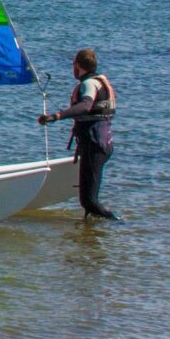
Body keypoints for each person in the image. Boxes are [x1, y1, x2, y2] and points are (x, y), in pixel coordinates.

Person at [39, 49, 118, 219]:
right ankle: (89, 237)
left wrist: (57, 116)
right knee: (87, 201)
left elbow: (85, 106)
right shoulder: (100, 81)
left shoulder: (89, 84)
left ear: (78, 66)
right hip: (102, 144)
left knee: (89, 201)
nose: (73, 68)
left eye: (74, 64)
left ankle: (118, 223)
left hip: (95, 145)